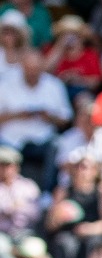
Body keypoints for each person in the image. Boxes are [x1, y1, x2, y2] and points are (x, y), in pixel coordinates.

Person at [0, 47, 69, 185]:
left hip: (43, 139)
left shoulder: (54, 85)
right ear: (22, 67)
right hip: (11, 140)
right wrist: (17, 115)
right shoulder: (6, 84)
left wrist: (49, 117)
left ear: (42, 67)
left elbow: (66, 119)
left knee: (58, 146)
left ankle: (47, 193)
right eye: (28, 68)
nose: (32, 72)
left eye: (35, 69)